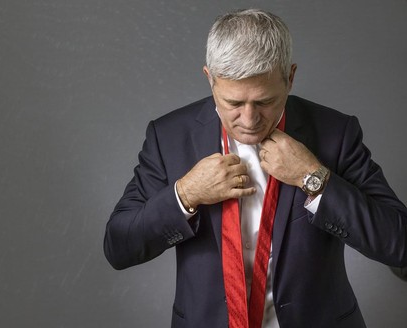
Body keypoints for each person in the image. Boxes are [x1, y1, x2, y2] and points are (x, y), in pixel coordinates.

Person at [103, 8, 407, 328]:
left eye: (264, 101)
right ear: (210, 79)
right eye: (234, 103)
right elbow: (119, 247)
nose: (249, 120)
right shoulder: (169, 137)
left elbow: (400, 246)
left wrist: (314, 178)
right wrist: (186, 193)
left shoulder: (336, 134)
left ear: (290, 78)